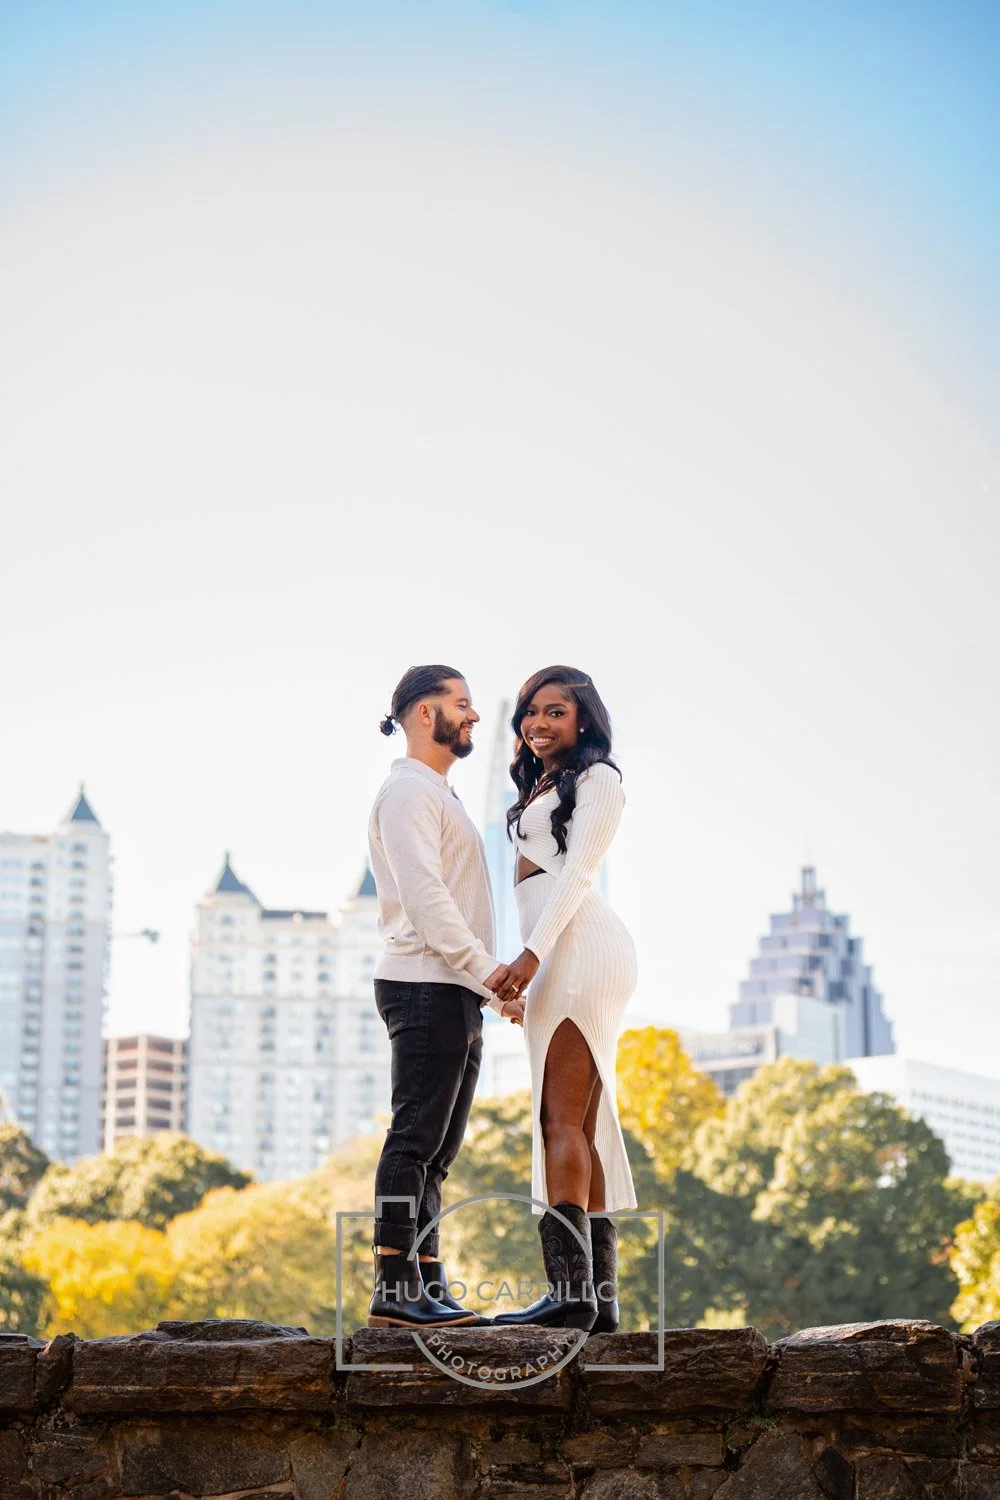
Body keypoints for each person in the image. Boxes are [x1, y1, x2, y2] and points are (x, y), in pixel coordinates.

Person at [366, 663, 524, 1328]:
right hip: (425, 984)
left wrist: (482, 987)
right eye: (461, 704)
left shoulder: (437, 792)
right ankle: (394, 1294)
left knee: (437, 1153)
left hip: (452, 988)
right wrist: (489, 974)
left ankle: (427, 1285)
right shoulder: (407, 793)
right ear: (423, 714)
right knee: (413, 1141)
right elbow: (428, 901)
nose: (475, 715)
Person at [492, 666, 637, 1333]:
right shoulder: (541, 784)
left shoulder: (598, 779)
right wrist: (530, 972)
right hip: (557, 953)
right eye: (531, 712)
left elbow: (577, 873)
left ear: (584, 720)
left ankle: (570, 1293)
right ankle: (596, 1304)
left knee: (562, 1121)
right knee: (584, 1123)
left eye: (556, 712)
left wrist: (532, 959)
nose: (539, 723)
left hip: (580, 946)